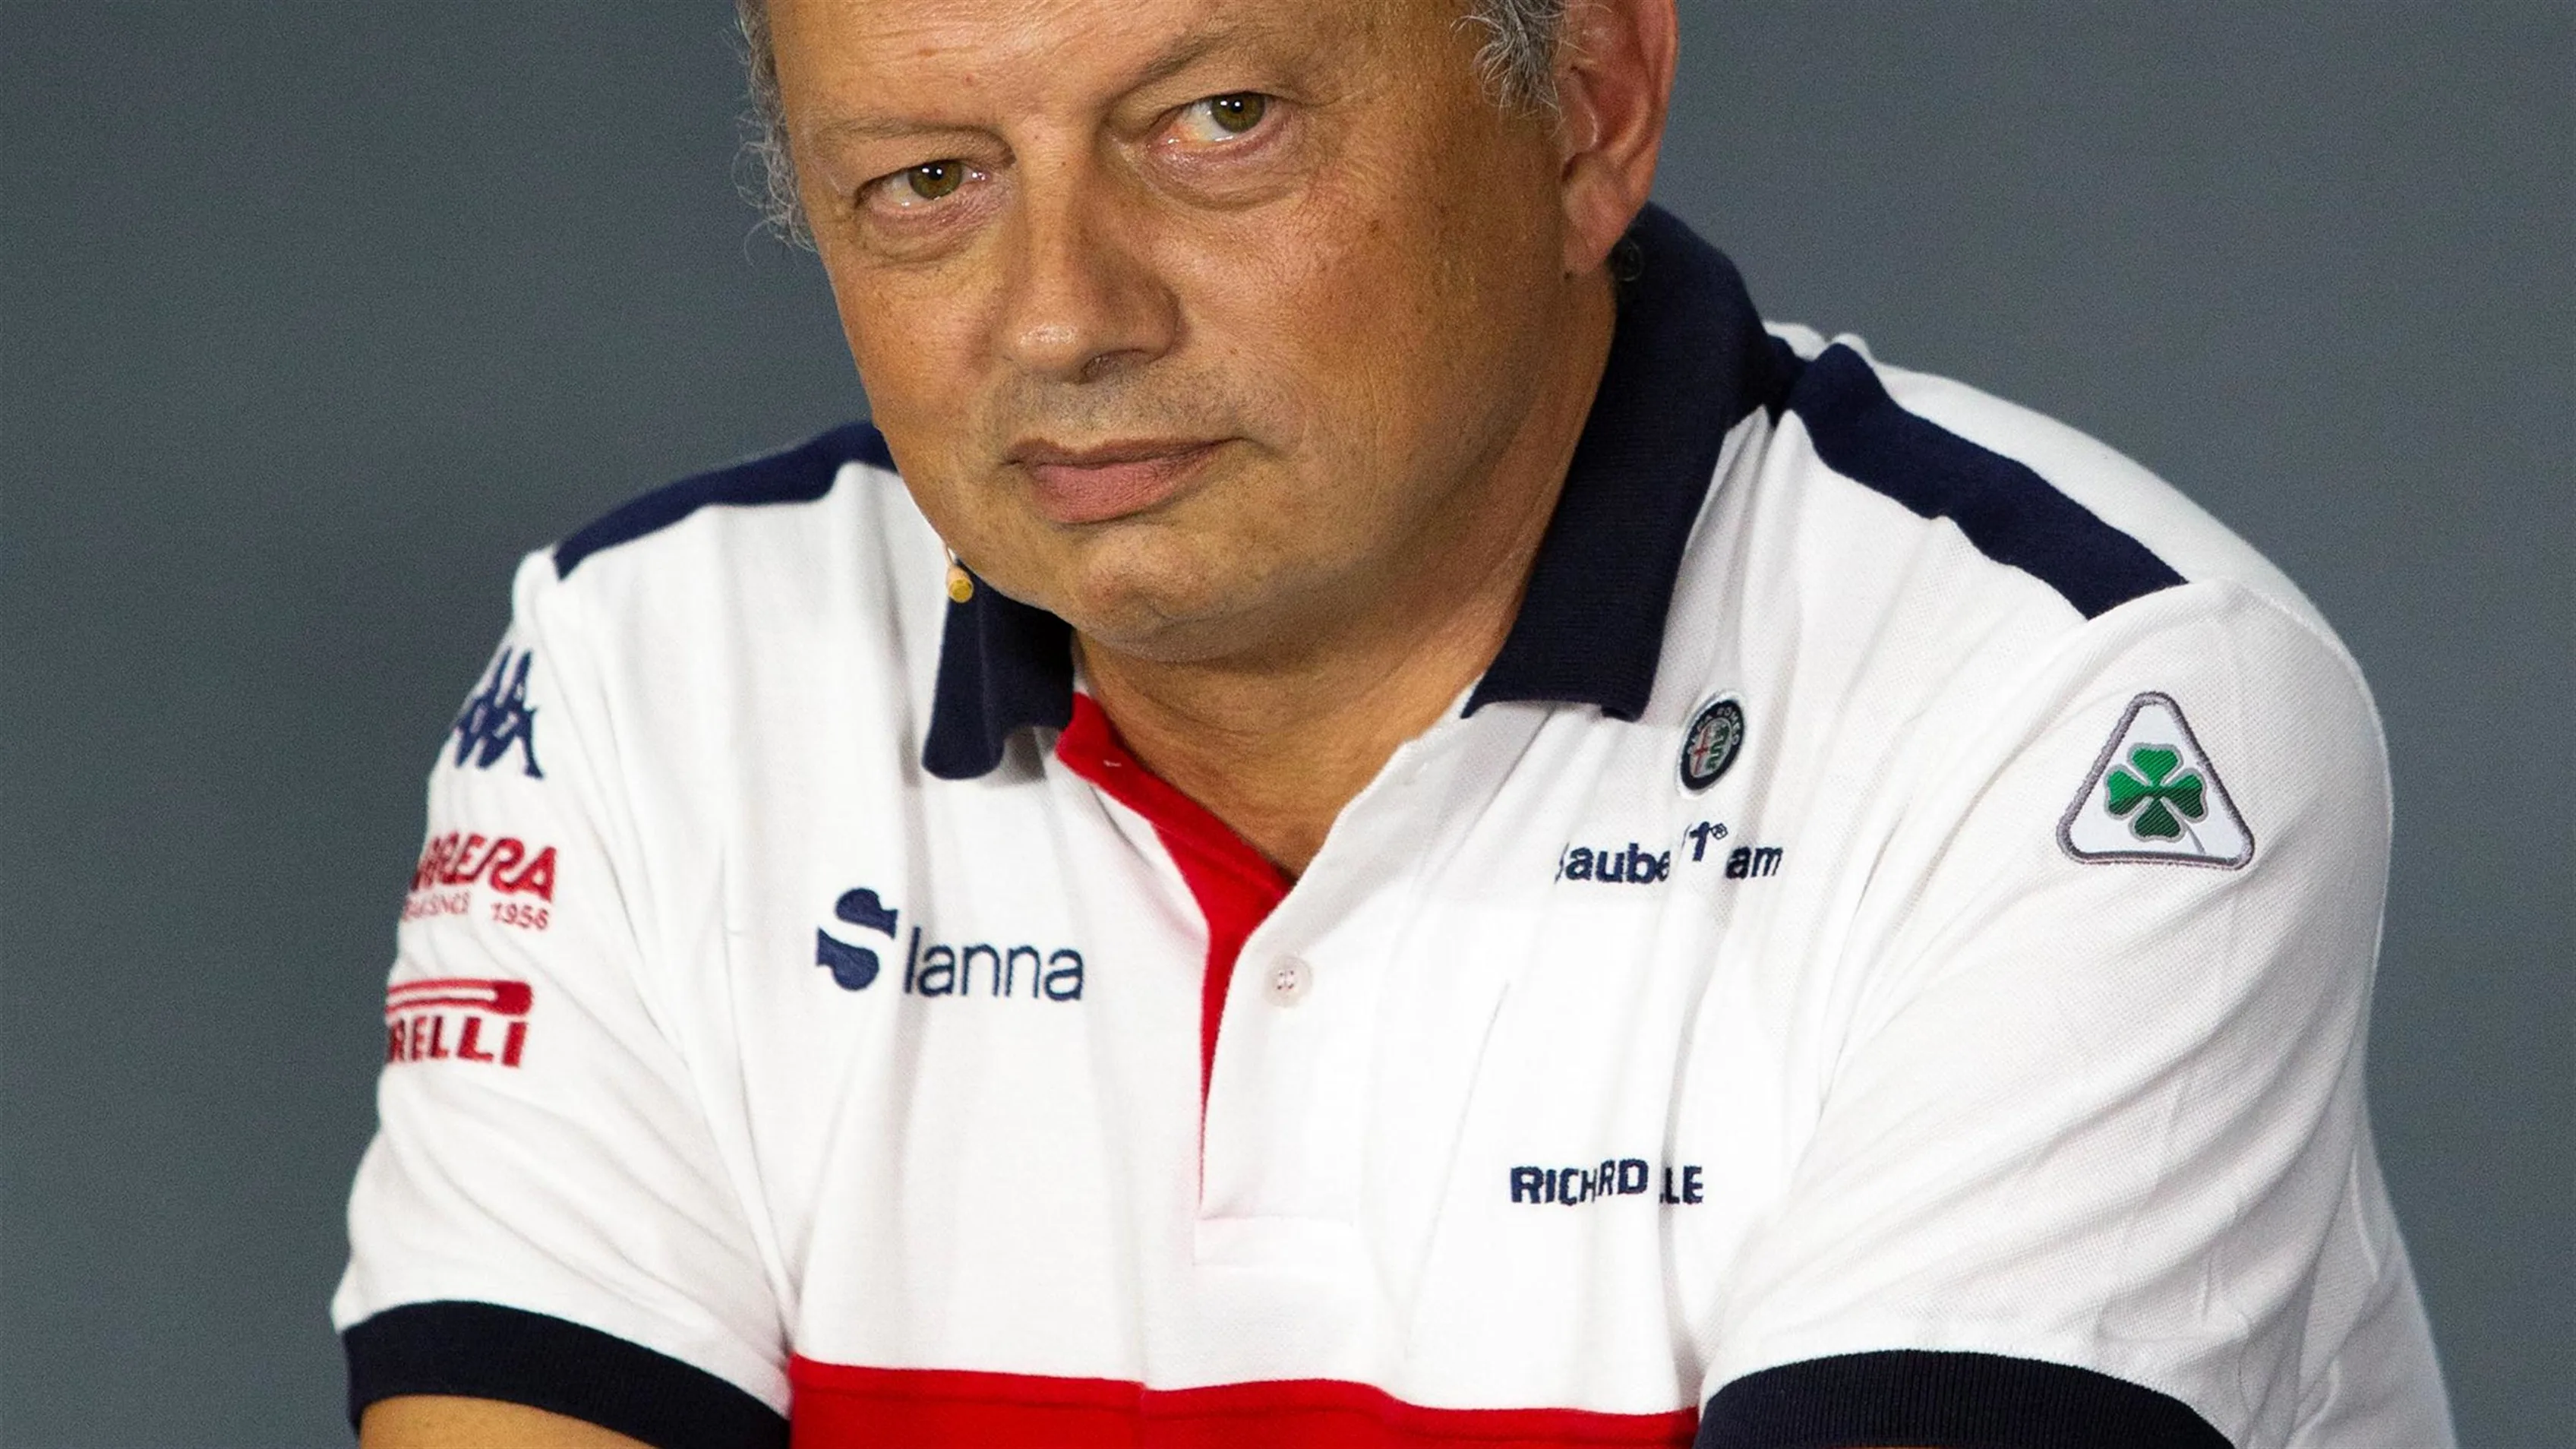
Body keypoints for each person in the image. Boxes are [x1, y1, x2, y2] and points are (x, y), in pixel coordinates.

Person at [334, 0, 2454, 1444]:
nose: (1066, 313)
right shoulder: (642, 676)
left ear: (1589, 105)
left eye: (1218, 121)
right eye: (924, 178)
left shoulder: (2080, 697)